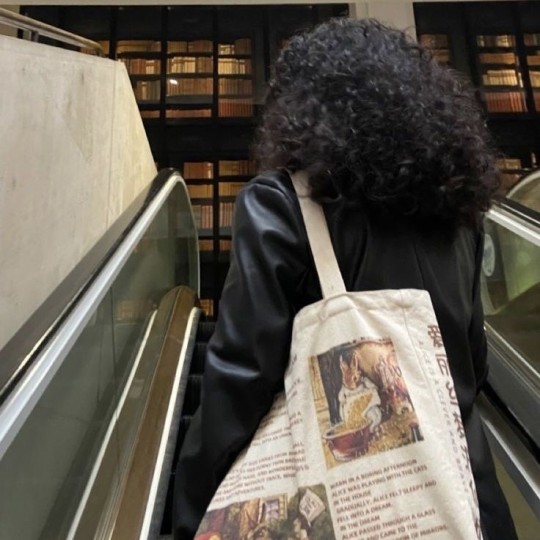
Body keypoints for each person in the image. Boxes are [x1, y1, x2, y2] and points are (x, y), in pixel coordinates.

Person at [174, 18, 518, 540]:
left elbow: (239, 380)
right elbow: (470, 366)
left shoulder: (283, 206)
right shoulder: (459, 217)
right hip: (467, 504)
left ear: (300, 111)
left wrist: (187, 511)